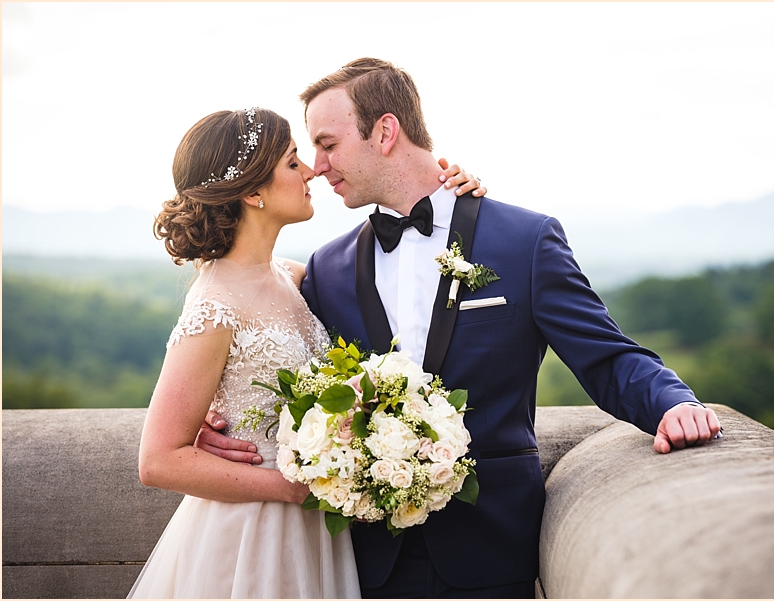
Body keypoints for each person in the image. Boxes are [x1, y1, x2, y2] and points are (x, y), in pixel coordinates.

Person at [199, 59, 721, 598]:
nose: (317, 165)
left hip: (489, 552)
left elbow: (607, 356)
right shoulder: (327, 270)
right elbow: (283, 367)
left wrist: (673, 404)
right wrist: (220, 417)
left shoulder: (524, 241)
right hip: (361, 560)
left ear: (384, 132)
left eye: (327, 144)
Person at [128, 106, 486, 599]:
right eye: (293, 161)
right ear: (253, 192)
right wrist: (295, 488)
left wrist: (449, 186)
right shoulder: (214, 304)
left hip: (314, 535)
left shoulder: (292, 275)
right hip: (251, 537)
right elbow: (158, 460)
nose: (312, 169)